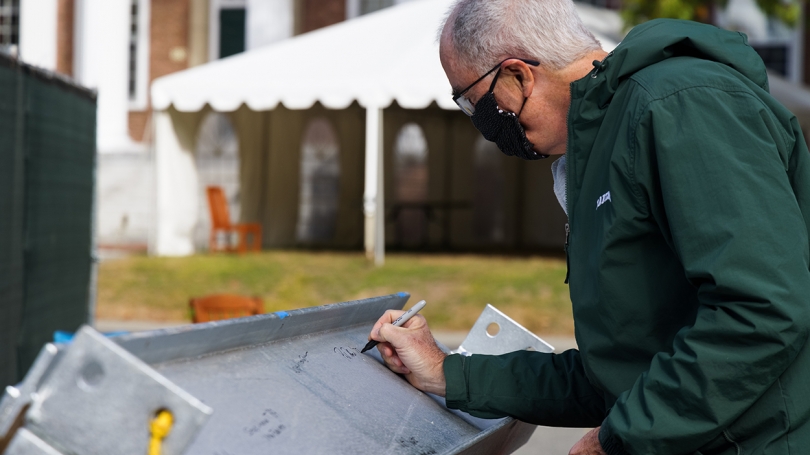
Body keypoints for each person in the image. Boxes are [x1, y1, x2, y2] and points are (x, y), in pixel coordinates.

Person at [366, 0, 810, 454]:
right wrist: (446, 372)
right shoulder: (599, 149)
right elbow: (615, 372)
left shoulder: (681, 104)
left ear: (518, 75)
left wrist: (617, 439)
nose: (480, 123)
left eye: (473, 103)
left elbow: (761, 309)